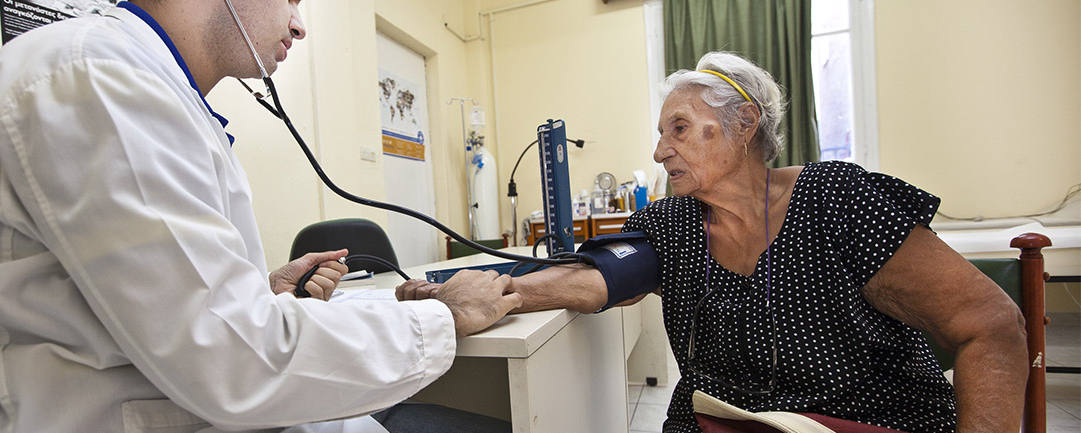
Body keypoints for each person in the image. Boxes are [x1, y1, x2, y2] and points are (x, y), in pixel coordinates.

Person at [0, 0, 522, 432]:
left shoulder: (134, 86)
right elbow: (236, 363)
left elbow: (165, 314)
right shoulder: (95, 80)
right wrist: (441, 315)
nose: (298, 24)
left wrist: (257, 293)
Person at [398, 51, 1029, 432]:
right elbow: (596, 279)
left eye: (678, 127)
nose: (657, 149)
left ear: (744, 122)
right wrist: (492, 294)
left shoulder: (842, 202)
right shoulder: (674, 223)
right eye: (660, 130)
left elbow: (991, 326)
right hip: (721, 427)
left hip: (861, 425)